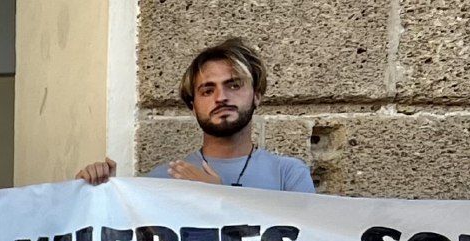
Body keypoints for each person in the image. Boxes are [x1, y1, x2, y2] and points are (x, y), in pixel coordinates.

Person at [77, 38, 314, 193]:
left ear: (257, 95)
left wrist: (219, 196)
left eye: (234, 85)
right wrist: (103, 195)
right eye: (207, 90)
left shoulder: (289, 176)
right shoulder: (161, 180)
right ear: (193, 105)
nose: (221, 97)